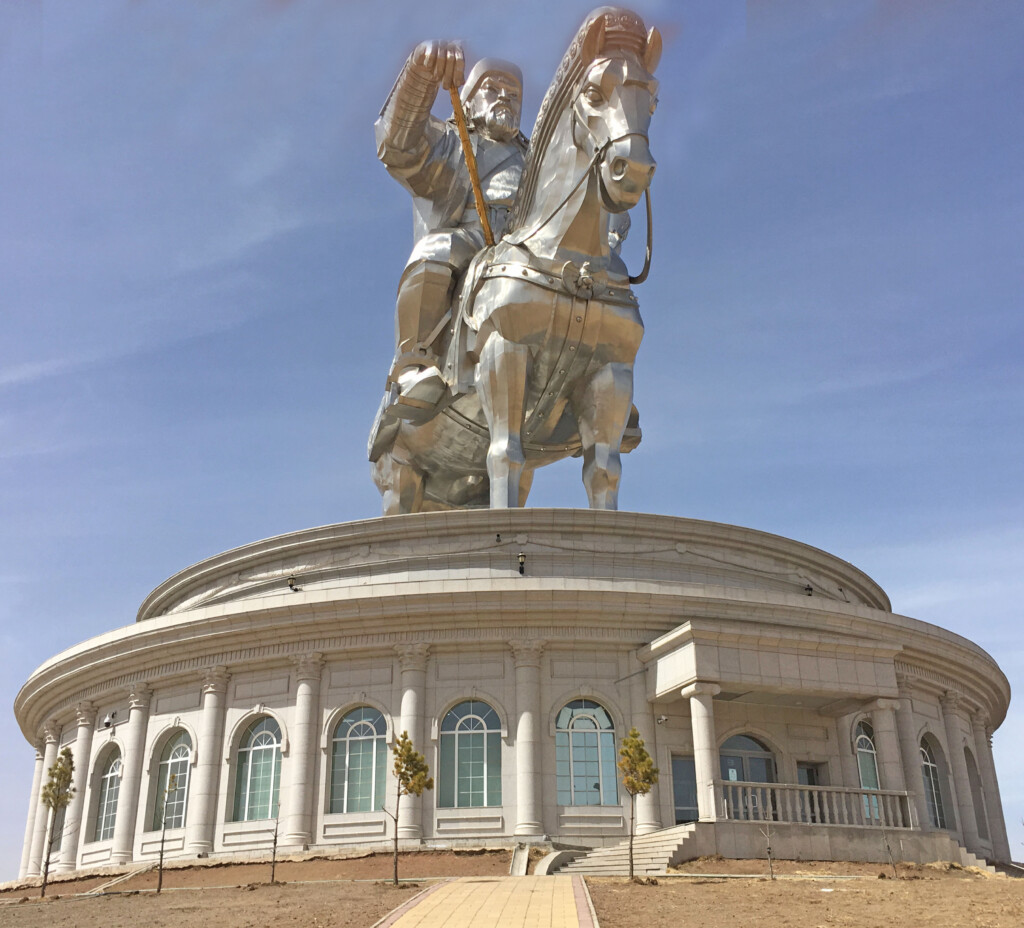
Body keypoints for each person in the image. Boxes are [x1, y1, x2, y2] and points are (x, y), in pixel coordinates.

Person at [374, 42, 527, 423]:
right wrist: (420, 76)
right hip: (473, 242)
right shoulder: (453, 142)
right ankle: (415, 364)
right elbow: (399, 146)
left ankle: (595, 385)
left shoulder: (536, 154)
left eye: (513, 95)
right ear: (471, 100)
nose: (504, 99)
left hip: (529, 249)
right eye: (493, 90)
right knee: (436, 250)